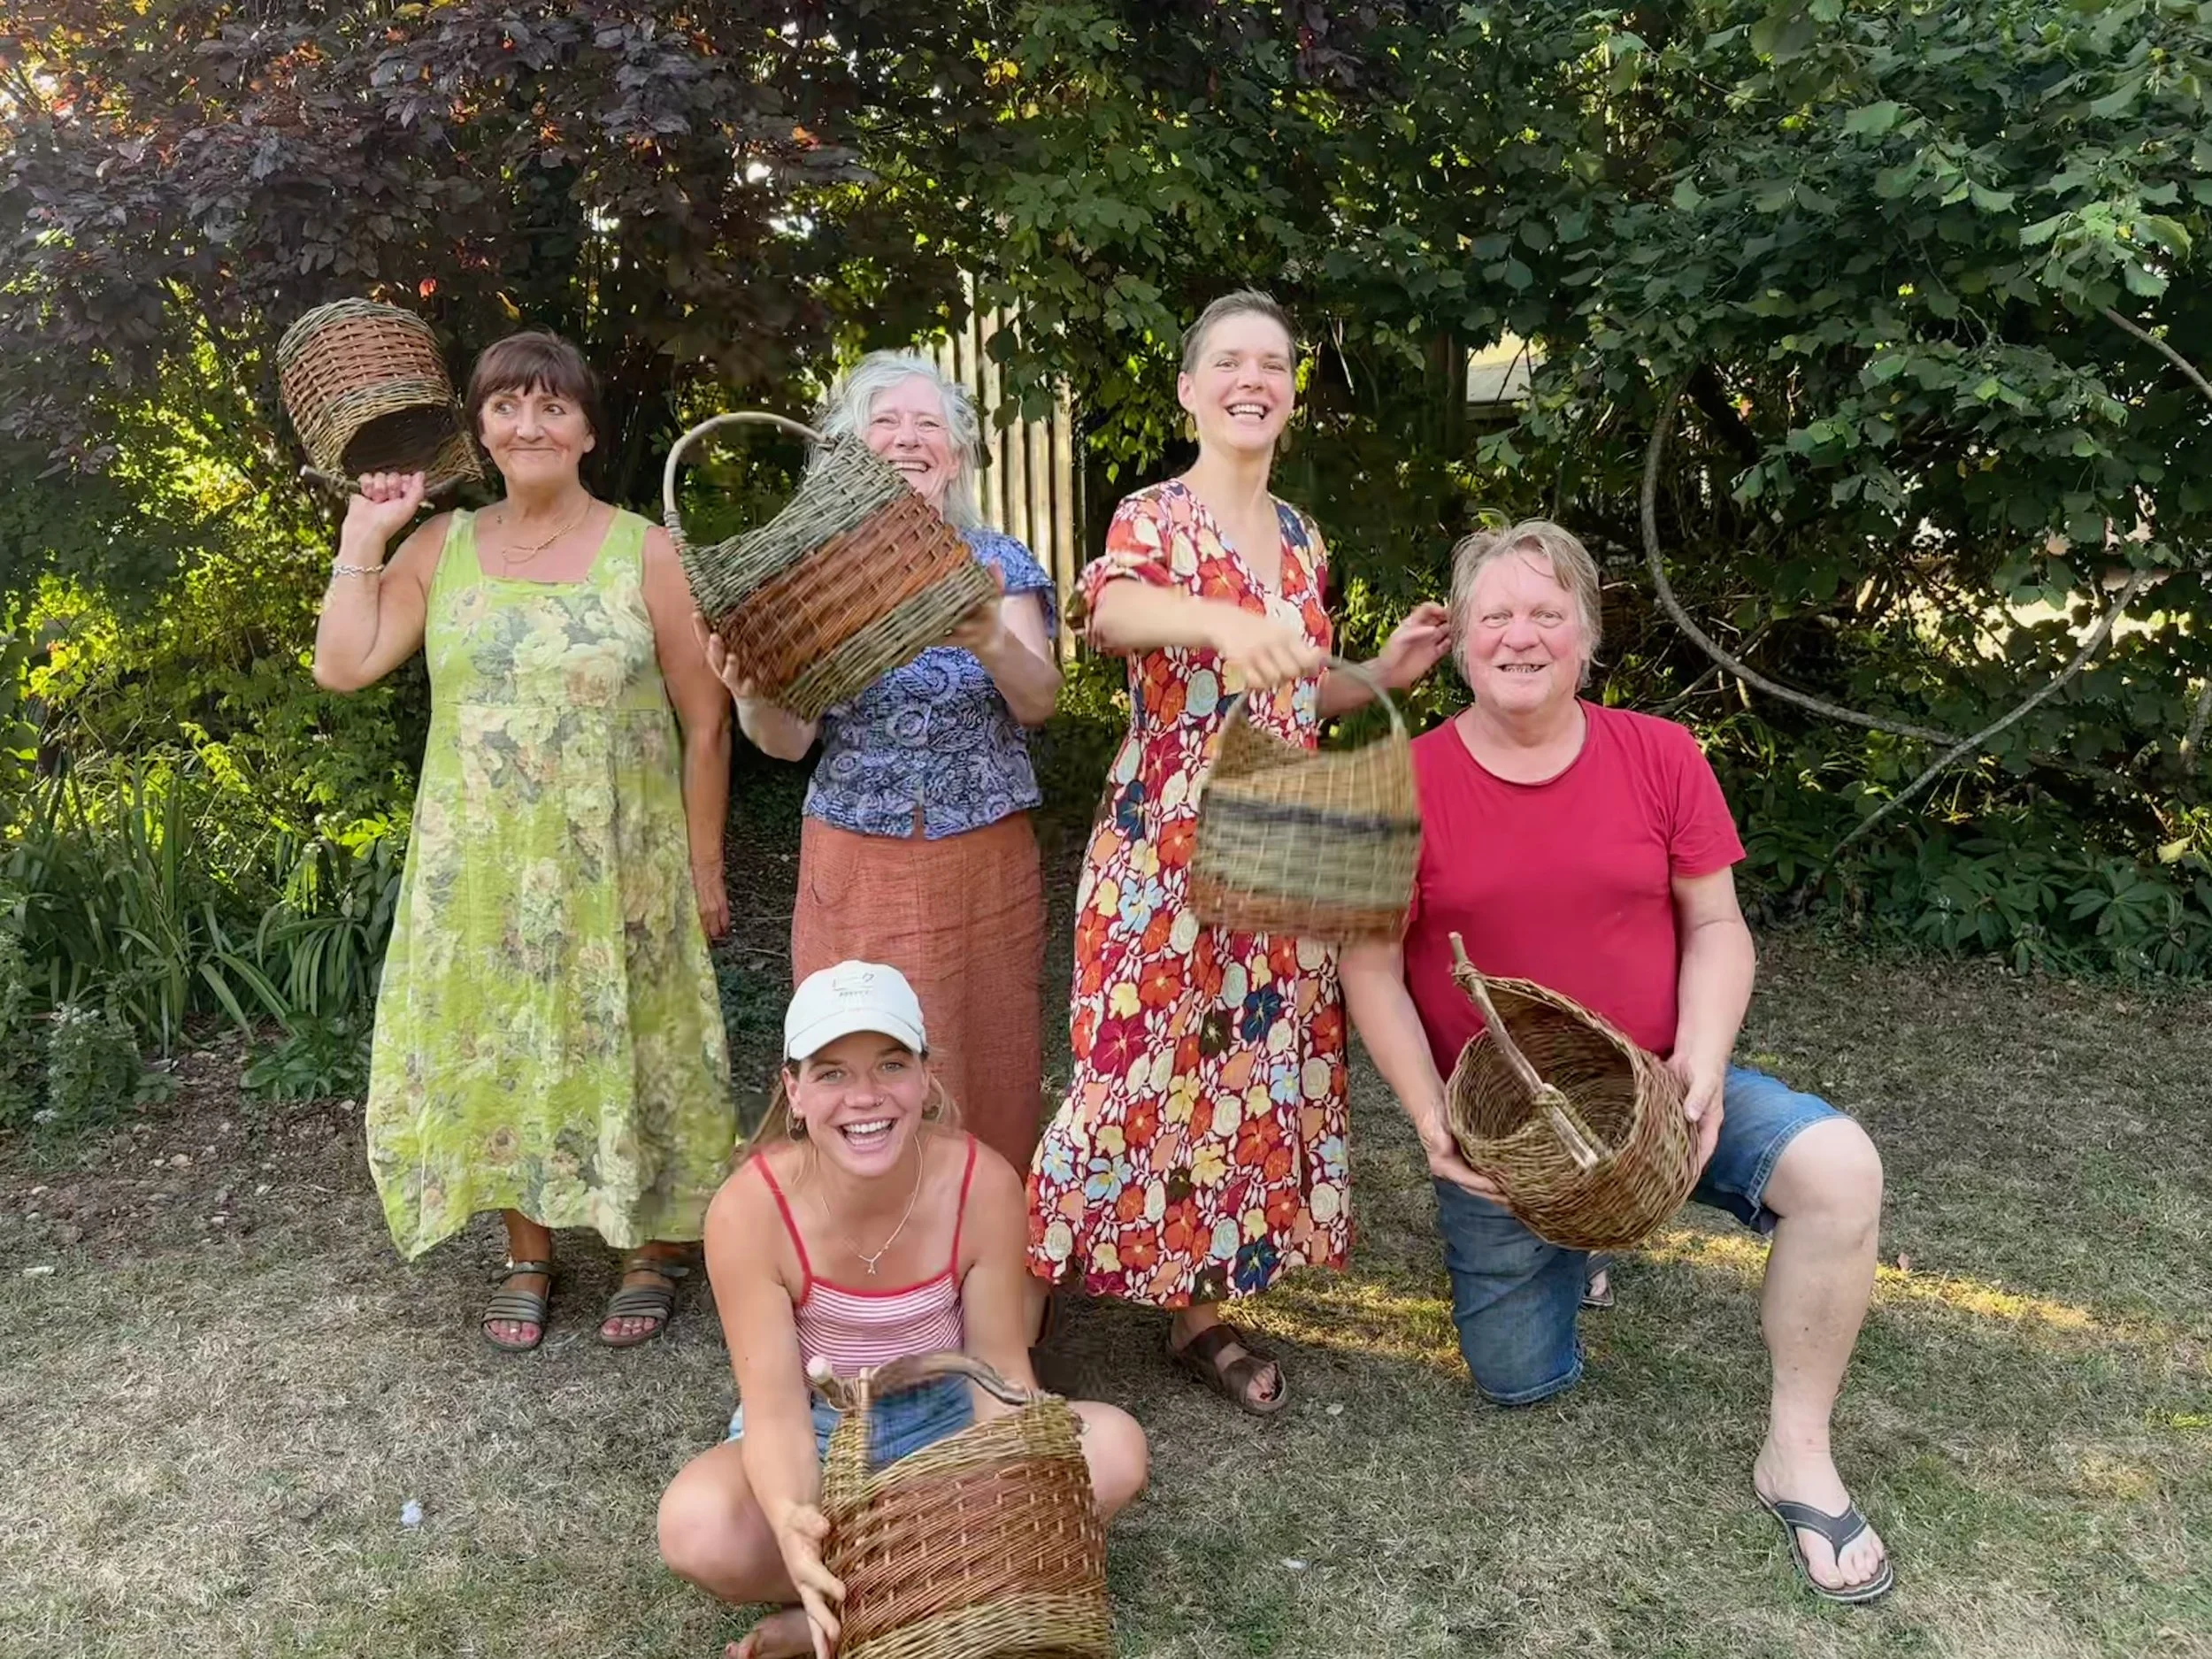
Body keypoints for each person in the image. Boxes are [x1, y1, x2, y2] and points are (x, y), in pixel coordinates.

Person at [1338, 519, 1893, 1602]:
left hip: (1662, 1090)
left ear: (1587, 635)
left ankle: (1796, 1455)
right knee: (1518, 1381)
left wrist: (1702, 1062)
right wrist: (1429, 1118)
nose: (1521, 636)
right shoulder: (1393, 783)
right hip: (1509, 1143)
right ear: (1460, 643)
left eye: (1547, 614)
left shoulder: (1661, 754)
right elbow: (1368, 966)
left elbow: (1718, 927)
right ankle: (1583, 1238)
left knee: (1841, 1171)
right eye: (1496, 615)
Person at [1027, 290, 1452, 1415]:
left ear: (1292, 394)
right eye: (1227, 361)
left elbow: (1292, 692)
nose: (1250, 379)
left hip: (1275, 836)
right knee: (1125, 1068)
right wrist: (1221, 622)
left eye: (1272, 363)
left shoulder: (1303, 538)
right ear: (1189, 390)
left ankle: (1198, 1313)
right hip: (1161, 840)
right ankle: (1020, 1315)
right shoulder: (1153, 516)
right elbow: (1113, 615)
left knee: (1240, 1071)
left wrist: (1381, 677)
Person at [314, 330, 734, 1352]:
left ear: (588, 431)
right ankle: (528, 1250)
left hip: (622, 863)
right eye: (506, 406)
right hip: (482, 872)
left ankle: (653, 1247)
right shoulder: (439, 548)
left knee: (642, 1038)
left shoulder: (648, 552)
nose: (529, 425)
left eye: (553, 406)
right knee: (499, 1044)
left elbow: (707, 723)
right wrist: (367, 532)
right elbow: (344, 665)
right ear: (481, 430)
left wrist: (703, 865)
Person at [657, 960, 1149, 1659]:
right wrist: (793, 1518)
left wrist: (1010, 1485)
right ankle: (941, 1590)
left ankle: (847, 1619)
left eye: (890, 1064)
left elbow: (999, 1373)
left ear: (925, 1076)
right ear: (794, 1090)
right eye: (832, 1072)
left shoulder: (982, 1182)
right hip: (821, 1430)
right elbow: (775, 1411)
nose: (865, 1097)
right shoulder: (748, 1209)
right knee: (697, 1524)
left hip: (951, 1418)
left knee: (1115, 1450)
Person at [698, 352, 1061, 1175]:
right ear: (848, 452)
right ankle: (868, 1247)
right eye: (885, 424)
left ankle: (983, 1239)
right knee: (861, 1066)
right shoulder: (808, 581)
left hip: (985, 871)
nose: (908, 439)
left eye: (928, 424)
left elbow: (1039, 699)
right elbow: (788, 741)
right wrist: (751, 697)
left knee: (991, 1062)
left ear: (956, 457)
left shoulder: (995, 563)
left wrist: (989, 638)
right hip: (856, 869)